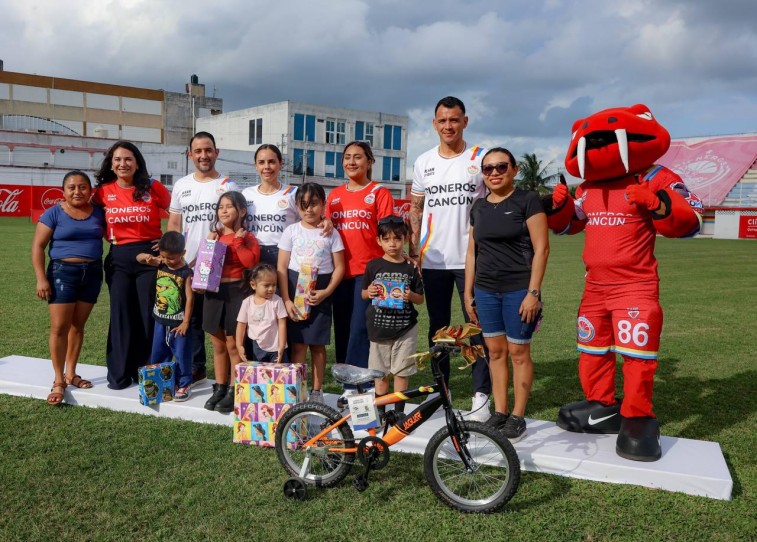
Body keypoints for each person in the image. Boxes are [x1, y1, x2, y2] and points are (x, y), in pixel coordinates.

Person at [408, 96, 491, 421]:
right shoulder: (424, 161)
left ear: (465, 122)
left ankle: (480, 397)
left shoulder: (480, 158)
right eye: (442, 121)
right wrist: (415, 249)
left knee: (476, 327)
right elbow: (416, 208)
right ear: (434, 124)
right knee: (438, 329)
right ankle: (443, 391)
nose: (448, 126)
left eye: (454, 120)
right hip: (434, 260)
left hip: (474, 258)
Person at [463, 147, 549, 441]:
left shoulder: (527, 200)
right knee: (495, 353)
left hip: (518, 290)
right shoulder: (478, 207)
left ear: (514, 169)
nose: (494, 173)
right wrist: (467, 292)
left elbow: (542, 249)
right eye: (488, 169)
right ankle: (499, 412)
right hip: (485, 291)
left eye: (501, 167)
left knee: (518, 353)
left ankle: (517, 416)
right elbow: (472, 252)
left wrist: (533, 293)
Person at [93, 141, 171, 390]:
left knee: (148, 316)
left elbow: (178, 214)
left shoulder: (153, 187)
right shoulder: (103, 192)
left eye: (128, 159)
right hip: (119, 258)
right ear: (111, 164)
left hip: (150, 257)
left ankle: (145, 372)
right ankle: (119, 373)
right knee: (121, 316)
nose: (122, 164)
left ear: (137, 162)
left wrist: (168, 239)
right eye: (117, 159)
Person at [168, 131, 240, 387]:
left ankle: (231, 376)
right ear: (190, 155)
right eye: (198, 151)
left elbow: (235, 224)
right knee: (191, 318)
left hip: (218, 266)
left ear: (216, 152)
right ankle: (197, 368)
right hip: (186, 264)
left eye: (208, 150)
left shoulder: (228, 185)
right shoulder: (181, 185)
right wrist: (173, 256)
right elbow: (175, 222)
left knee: (220, 324)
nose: (203, 155)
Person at [326, 141, 394, 401]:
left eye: (358, 157)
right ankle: (347, 380)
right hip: (338, 272)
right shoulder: (334, 196)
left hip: (368, 273)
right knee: (342, 329)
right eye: (347, 157)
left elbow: (389, 234)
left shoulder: (379, 193)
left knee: (359, 329)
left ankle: (356, 388)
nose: (351, 162)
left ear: (369, 162)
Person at [32, 171, 105, 405]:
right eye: (72, 187)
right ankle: (58, 380)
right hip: (62, 273)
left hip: (92, 273)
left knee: (78, 326)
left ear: (90, 190)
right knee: (59, 328)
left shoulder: (98, 213)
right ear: (63, 191)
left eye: (83, 187)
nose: (77, 192)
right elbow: (38, 247)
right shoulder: (54, 213)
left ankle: (71, 373)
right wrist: (41, 279)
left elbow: (117, 236)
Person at [277, 183, 345, 402]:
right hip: (296, 288)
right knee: (298, 345)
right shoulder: (291, 231)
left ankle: (317, 391)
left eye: (314, 204)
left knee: (318, 345)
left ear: (323, 205)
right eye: (304, 205)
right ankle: (298, 389)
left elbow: (340, 267)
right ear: (297, 206)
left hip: (321, 290)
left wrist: (326, 292)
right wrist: (286, 300)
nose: (309, 210)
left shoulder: (331, 233)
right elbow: (281, 267)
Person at [202, 191, 260, 413]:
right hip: (213, 292)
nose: (224, 210)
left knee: (233, 344)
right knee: (217, 344)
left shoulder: (247, 238)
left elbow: (250, 263)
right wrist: (209, 244)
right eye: (221, 207)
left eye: (229, 206)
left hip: (236, 291)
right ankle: (220, 386)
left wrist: (238, 241)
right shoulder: (214, 236)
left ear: (242, 211)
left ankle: (235, 390)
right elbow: (204, 266)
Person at [361, 216, 425, 418]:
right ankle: (380, 412)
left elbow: (421, 299)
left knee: (402, 372)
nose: (392, 244)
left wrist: (410, 295)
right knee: (379, 374)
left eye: (397, 239)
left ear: (405, 239)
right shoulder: (373, 266)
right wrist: (369, 292)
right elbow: (364, 293)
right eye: (387, 239)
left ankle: (398, 413)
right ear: (379, 240)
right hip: (378, 329)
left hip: (405, 329)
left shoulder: (411, 267)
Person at [137, 231, 195, 402]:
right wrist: (149, 258)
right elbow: (138, 258)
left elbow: (190, 298)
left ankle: (184, 383)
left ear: (183, 253)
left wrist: (185, 322)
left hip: (178, 323)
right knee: (159, 352)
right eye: (164, 256)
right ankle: (161, 381)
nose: (168, 260)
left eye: (172, 258)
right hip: (160, 321)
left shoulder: (186, 273)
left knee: (182, 354)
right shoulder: (160, 265)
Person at [242, 144, 299, 266]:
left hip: (284, 253)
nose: (266, 167)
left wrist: (325, 221)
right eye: (261, 162)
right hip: (253, 252)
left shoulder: (293, 193)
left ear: (281, 164)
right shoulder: (247, 194)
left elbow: (309, 221)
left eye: (272, 162)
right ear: (256, 166)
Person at [236, 263, 288, 363]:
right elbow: (241, 325)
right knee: (261, 376)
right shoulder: (247, 302)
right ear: (253, 285)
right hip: (257, 347)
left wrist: (281, 346)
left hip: (276, 348)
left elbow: (282, 324)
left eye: (274, 284)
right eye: (266, 285)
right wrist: (239, 345)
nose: (271, 289)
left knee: (278, 376)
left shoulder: (277, 301)